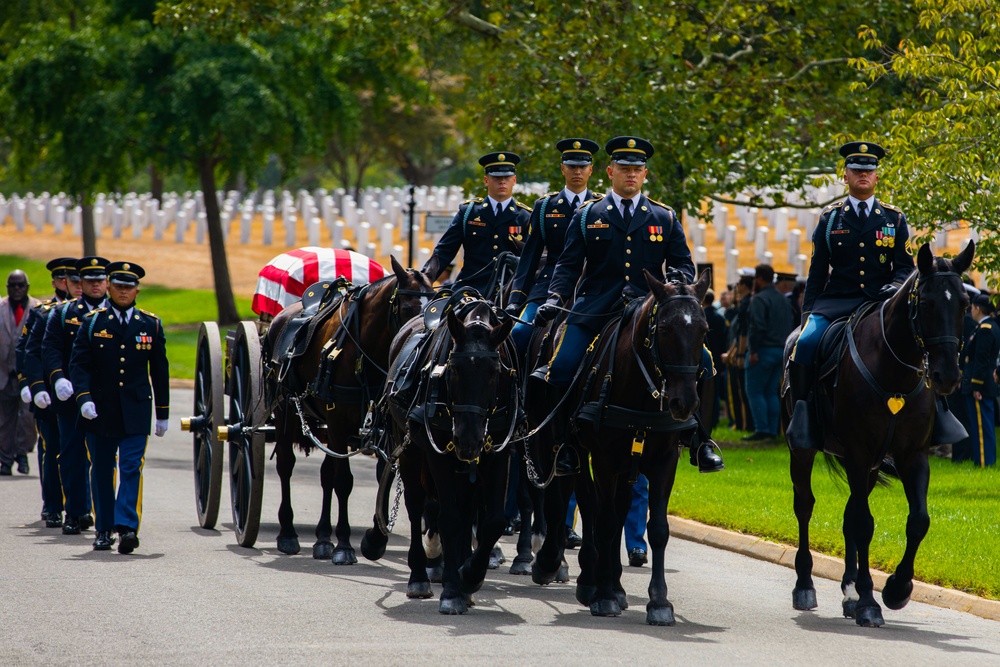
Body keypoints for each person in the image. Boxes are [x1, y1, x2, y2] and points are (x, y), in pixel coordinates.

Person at [534, 135, 724, 473]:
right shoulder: (586, 215)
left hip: (648, 310)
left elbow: (682, 262)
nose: (630, 175)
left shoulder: (663, 217)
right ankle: (565, 445)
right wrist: (554, 297)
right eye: (624, 168)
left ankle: (701, 441)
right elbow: (568, 265)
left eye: (637, 169)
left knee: (706, 363)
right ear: (609, 171)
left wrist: (676, 283)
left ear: (645, 174)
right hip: (596, 309)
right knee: (560, 367)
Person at [787, 141, 916, 450]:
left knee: (919, 346)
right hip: (836, 303)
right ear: (845, 175)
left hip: (881, 304)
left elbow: (905, 268)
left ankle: (937, 414)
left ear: (877, 177)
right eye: (857, 170)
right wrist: (808, 316)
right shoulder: (830, 219)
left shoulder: (894, 219)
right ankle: (803, 414)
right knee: (803, 345)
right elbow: (817, 274)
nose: (863, 175)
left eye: (869, 170)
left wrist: (896, 288)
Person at [70, 262, 169, 552]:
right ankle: (103, 528)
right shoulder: (93, 323)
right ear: (109, 288)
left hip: (136, 410)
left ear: (137, 290)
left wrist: (162, 413)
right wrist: (83, 398)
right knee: (101, 469)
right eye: (119, 286)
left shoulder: (150, 324)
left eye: (129, 287)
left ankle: (126, 527)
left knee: (131, 467)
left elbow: (160, 371)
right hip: (100, 410)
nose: (124, 292)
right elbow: (79, 366)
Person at [506, 138, 601, 355]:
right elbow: (529, 257)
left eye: (582, 166)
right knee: (519, 333)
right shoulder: (545, 206)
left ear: (591, 170)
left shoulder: (599, 207)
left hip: (590, 286)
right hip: (547, 287)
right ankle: (517, 388)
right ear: (562, 169)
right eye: (572, 166)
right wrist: (516, 299)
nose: (577, 171)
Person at [42, 257, 109, 534]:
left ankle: (101, 512)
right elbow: (51, 348)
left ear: (106, 283)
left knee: (102, 457)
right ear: (80, 282)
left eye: (99, 280)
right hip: (70, 397)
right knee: (71, 455)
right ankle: (76, 511)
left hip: (103, 397)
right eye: (89, 280)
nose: (95, 285)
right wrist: (57, 378)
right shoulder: (63, 313)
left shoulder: (114, 314)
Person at [17, 258, 82, 524]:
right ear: (57, 282)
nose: (74, 286)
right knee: (52, 448)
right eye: (68, 280)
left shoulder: (87, 315)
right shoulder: (44, 312)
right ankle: (53, 504)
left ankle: (80, 506)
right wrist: (29, 384)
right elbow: (27, 351)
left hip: (78, 392)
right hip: (49, 393)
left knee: (77, 452)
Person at [422, 151, 531, 297]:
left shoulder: (525, 216)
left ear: (514, 180)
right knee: (435, 317)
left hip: (509, 291)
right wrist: (424, 279)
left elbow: (535, 255)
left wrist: (519, 262)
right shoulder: (469, 213)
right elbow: (444, 251)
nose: (502, 181)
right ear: (486, 180)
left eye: (507, 177)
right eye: (496, 177)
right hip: (470, 288)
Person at [744, 264, 795, 440]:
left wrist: (753, 350)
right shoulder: (783, 299)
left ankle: (762, 429)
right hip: (781, 351)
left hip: (763, 350)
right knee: (772, 391)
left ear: (758, 279)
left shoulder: (759, 299)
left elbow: (757, 326)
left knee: (755, 390)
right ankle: (773, 430)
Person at [0, 270, 39, 476]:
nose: (16, 289)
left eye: (20, 285)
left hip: (28, 375)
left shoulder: (38, 309)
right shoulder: (1, 308)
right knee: (5, 421)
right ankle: (5, 460)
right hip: (4, 373)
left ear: (27, 287)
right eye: (12, 286)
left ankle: (22, 452)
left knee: (28, 418)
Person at [956, 294, 999, 468]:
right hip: (982, 382)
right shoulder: (987, 327)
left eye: (972, 307)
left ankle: (984, 461)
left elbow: (981, 360)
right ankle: (983, 459)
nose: (971, 311)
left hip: (980, 384)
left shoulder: (985, 329)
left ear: (978, 308)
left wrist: (976, 385)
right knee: (982, 424)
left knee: (982, 426)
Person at [703, 289, 729, 431]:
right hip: (718, 357)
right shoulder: (720, 318)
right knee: (716, 390)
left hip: (704, 355)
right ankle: (714, 418)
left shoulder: (701, 315)